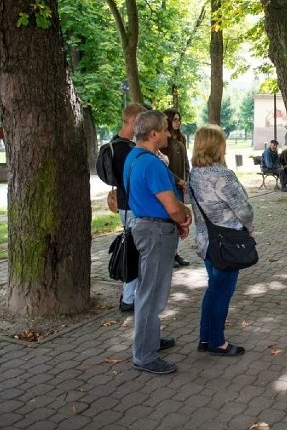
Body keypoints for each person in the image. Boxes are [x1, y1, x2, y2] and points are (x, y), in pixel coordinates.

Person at [124, 110, 192, 375]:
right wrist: (183, 218)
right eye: (164, 129)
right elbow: (171, 205)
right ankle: (144, 354)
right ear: (153, 134)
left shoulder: (134, 156)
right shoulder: (151, 163)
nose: (167, 133)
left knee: (148, 290)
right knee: (151, 295)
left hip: (145, 227)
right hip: (155, 232)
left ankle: (150, 339)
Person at [189, 125, 254, 357]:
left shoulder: (194, 173)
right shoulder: (222, 174)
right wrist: (250, 228)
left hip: (206, 242)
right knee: (222, 292)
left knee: (213, 289)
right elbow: (243, 209)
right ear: (218, 146)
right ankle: (217, 342)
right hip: (227, 244)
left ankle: (205, 338)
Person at [108, 102, 147, 312]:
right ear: (132, 121)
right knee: (135, 254)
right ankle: (130, 298)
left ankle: (130, 297)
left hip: (126, 205)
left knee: (134, 252)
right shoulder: (126, 150)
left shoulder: (115, 144)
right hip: (132, 207)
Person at [161, 108, 190, 268]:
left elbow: (185, 161)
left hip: (181, 184)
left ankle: (175, 252)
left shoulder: (182, 138)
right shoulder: (165, 141)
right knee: (171, 220)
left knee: (179, 221)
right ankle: (169, 254)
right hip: (171, 184)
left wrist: (186, 178)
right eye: (175, 120)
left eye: (179, 120)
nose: (178, 122)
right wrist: (178, 180)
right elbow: (164, 165)